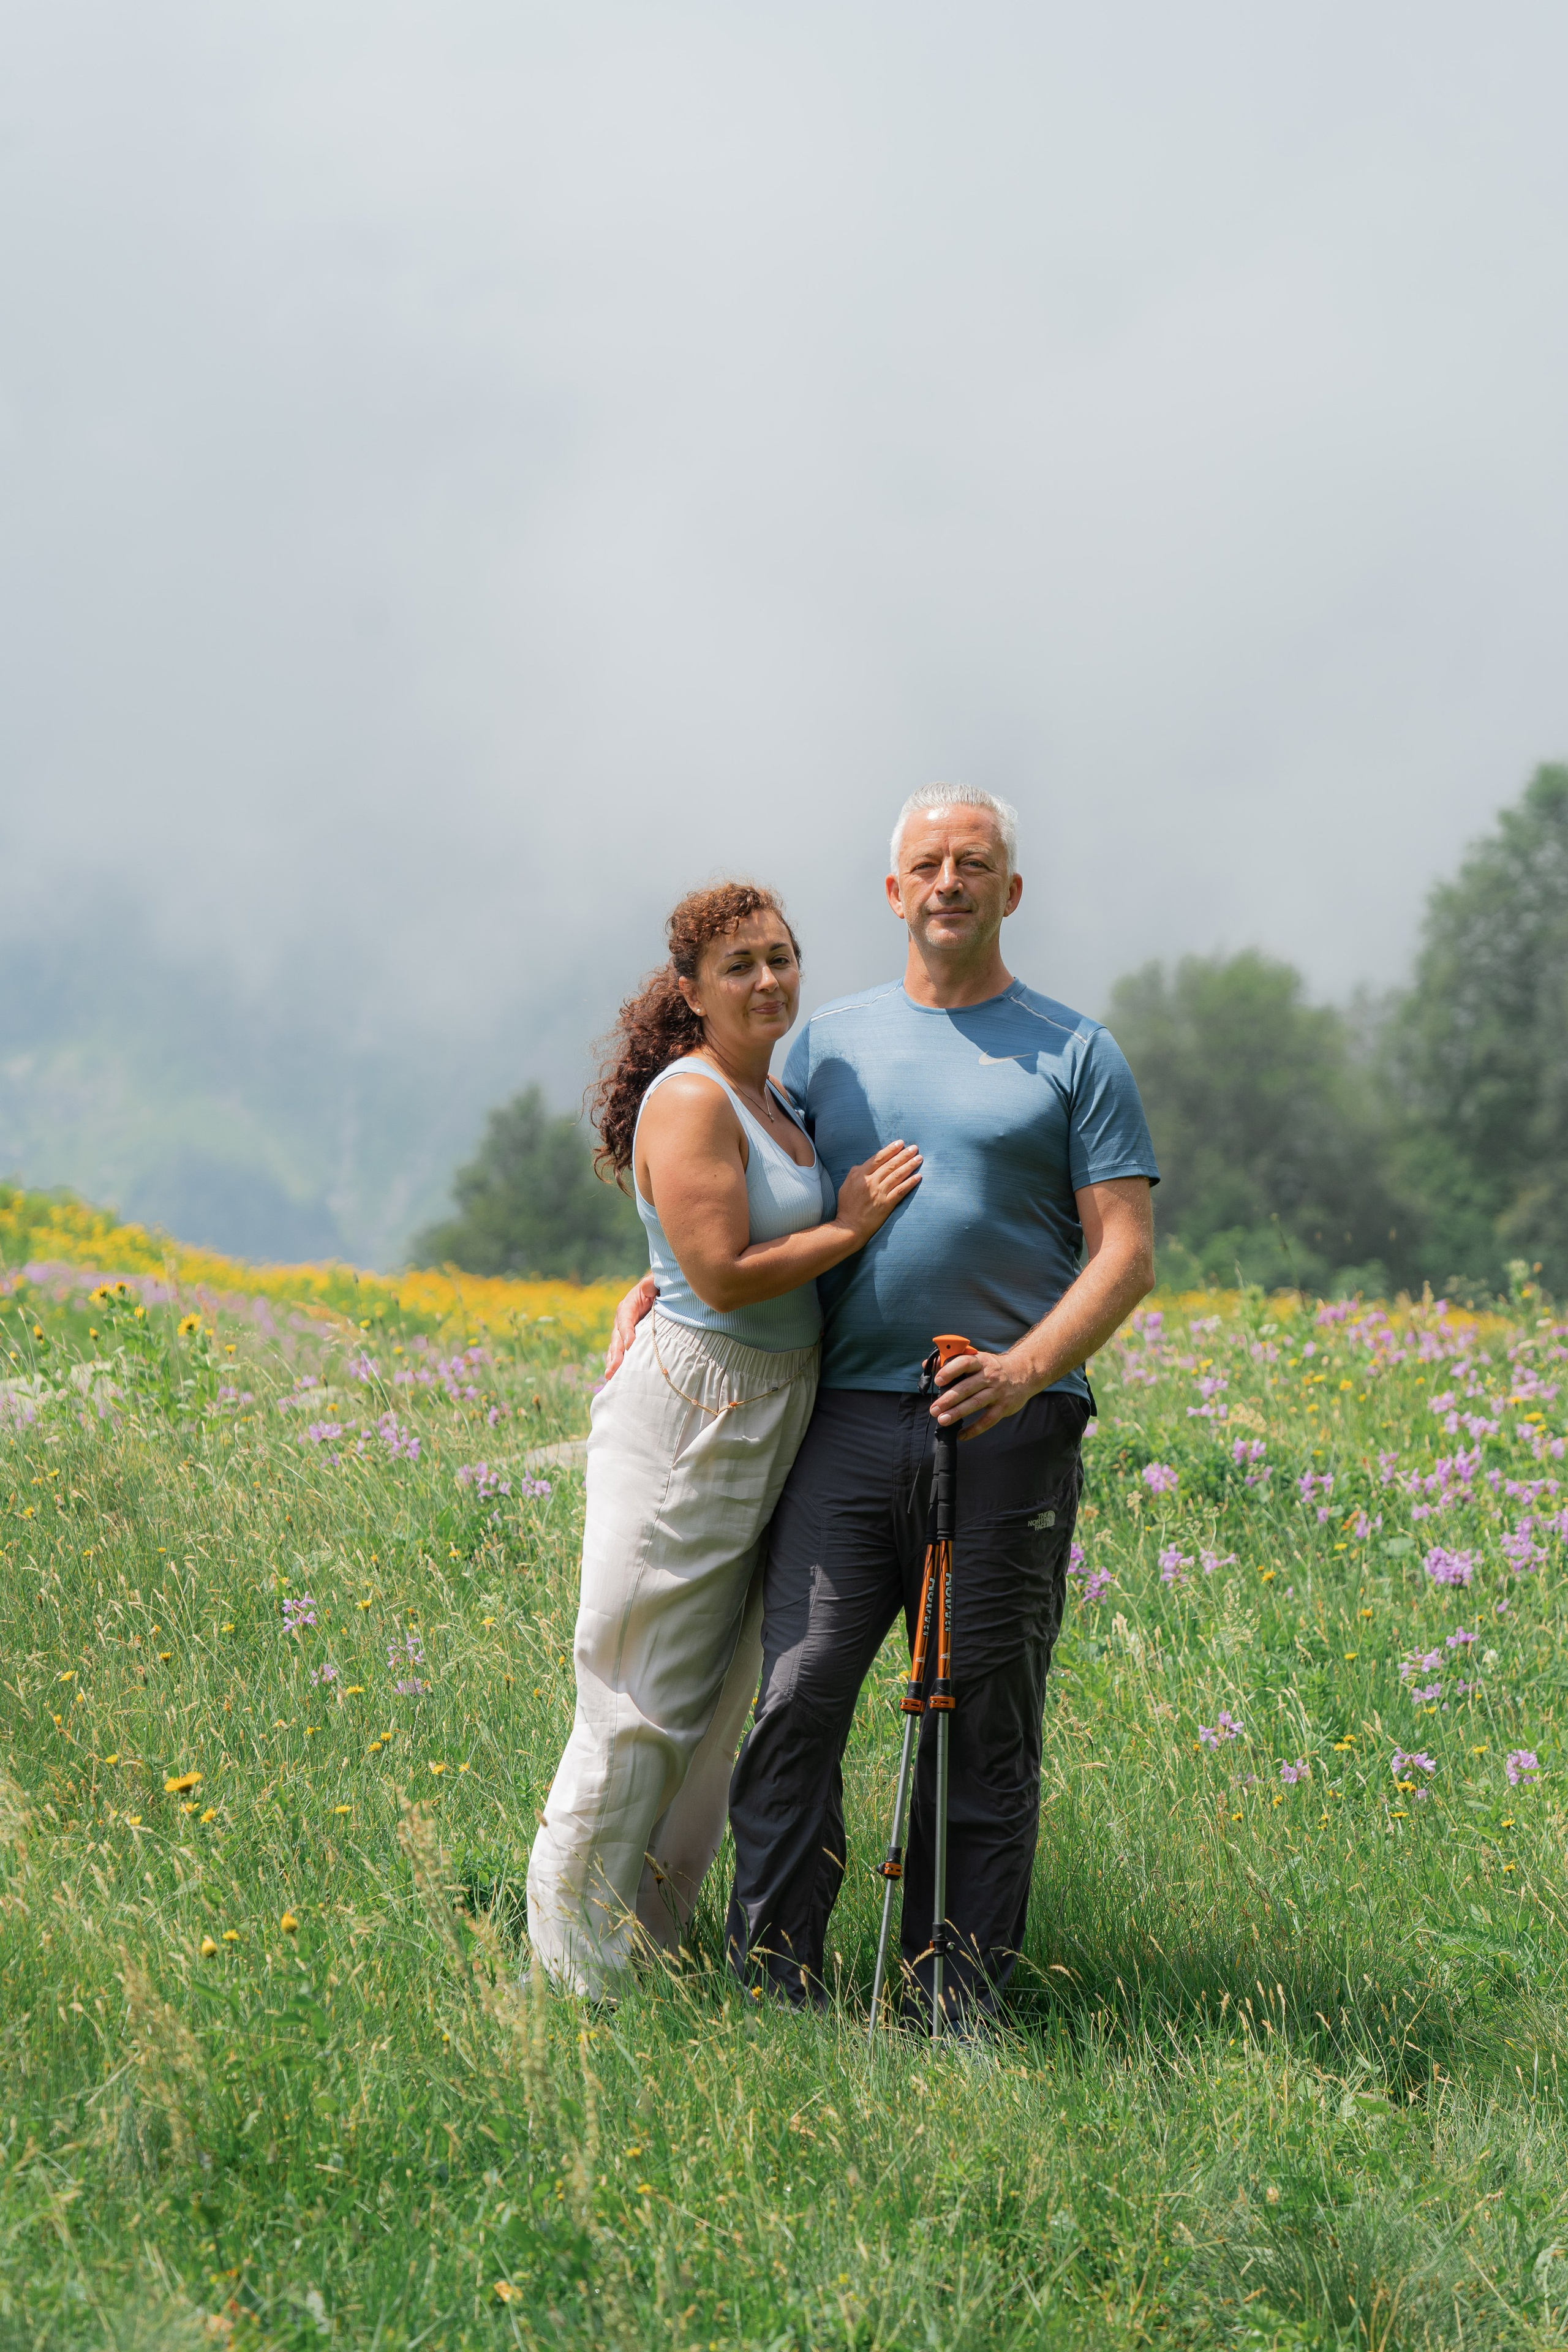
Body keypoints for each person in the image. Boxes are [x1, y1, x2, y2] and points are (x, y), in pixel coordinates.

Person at [612, 787, 1159, 2029]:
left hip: (1009, 1428)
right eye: (926, 863)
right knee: (798, 1692)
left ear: (1008, 894)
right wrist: (652, 1290)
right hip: (845, 1418)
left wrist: (1024, 1370)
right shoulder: (823, 1048)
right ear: (892, 892)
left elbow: (1121, 1255)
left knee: (978, 1716)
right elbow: (736, 1190)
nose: (948, 882)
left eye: (974, 864)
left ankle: (945, 2004)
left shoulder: (1075, 1051)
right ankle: (779, 1985)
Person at [526, 880, 922, 1997]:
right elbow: (716, 1274)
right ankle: (569, 1978)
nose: (766, 980)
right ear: (692, 992)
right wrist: (848, 1226)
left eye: (781, 958)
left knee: (715, 1691)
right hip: (697, 1404)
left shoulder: (776, 1097)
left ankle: (650, 1941)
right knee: (637, 1693)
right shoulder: (694, 1097)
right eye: (739, 965)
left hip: (775, 1400)